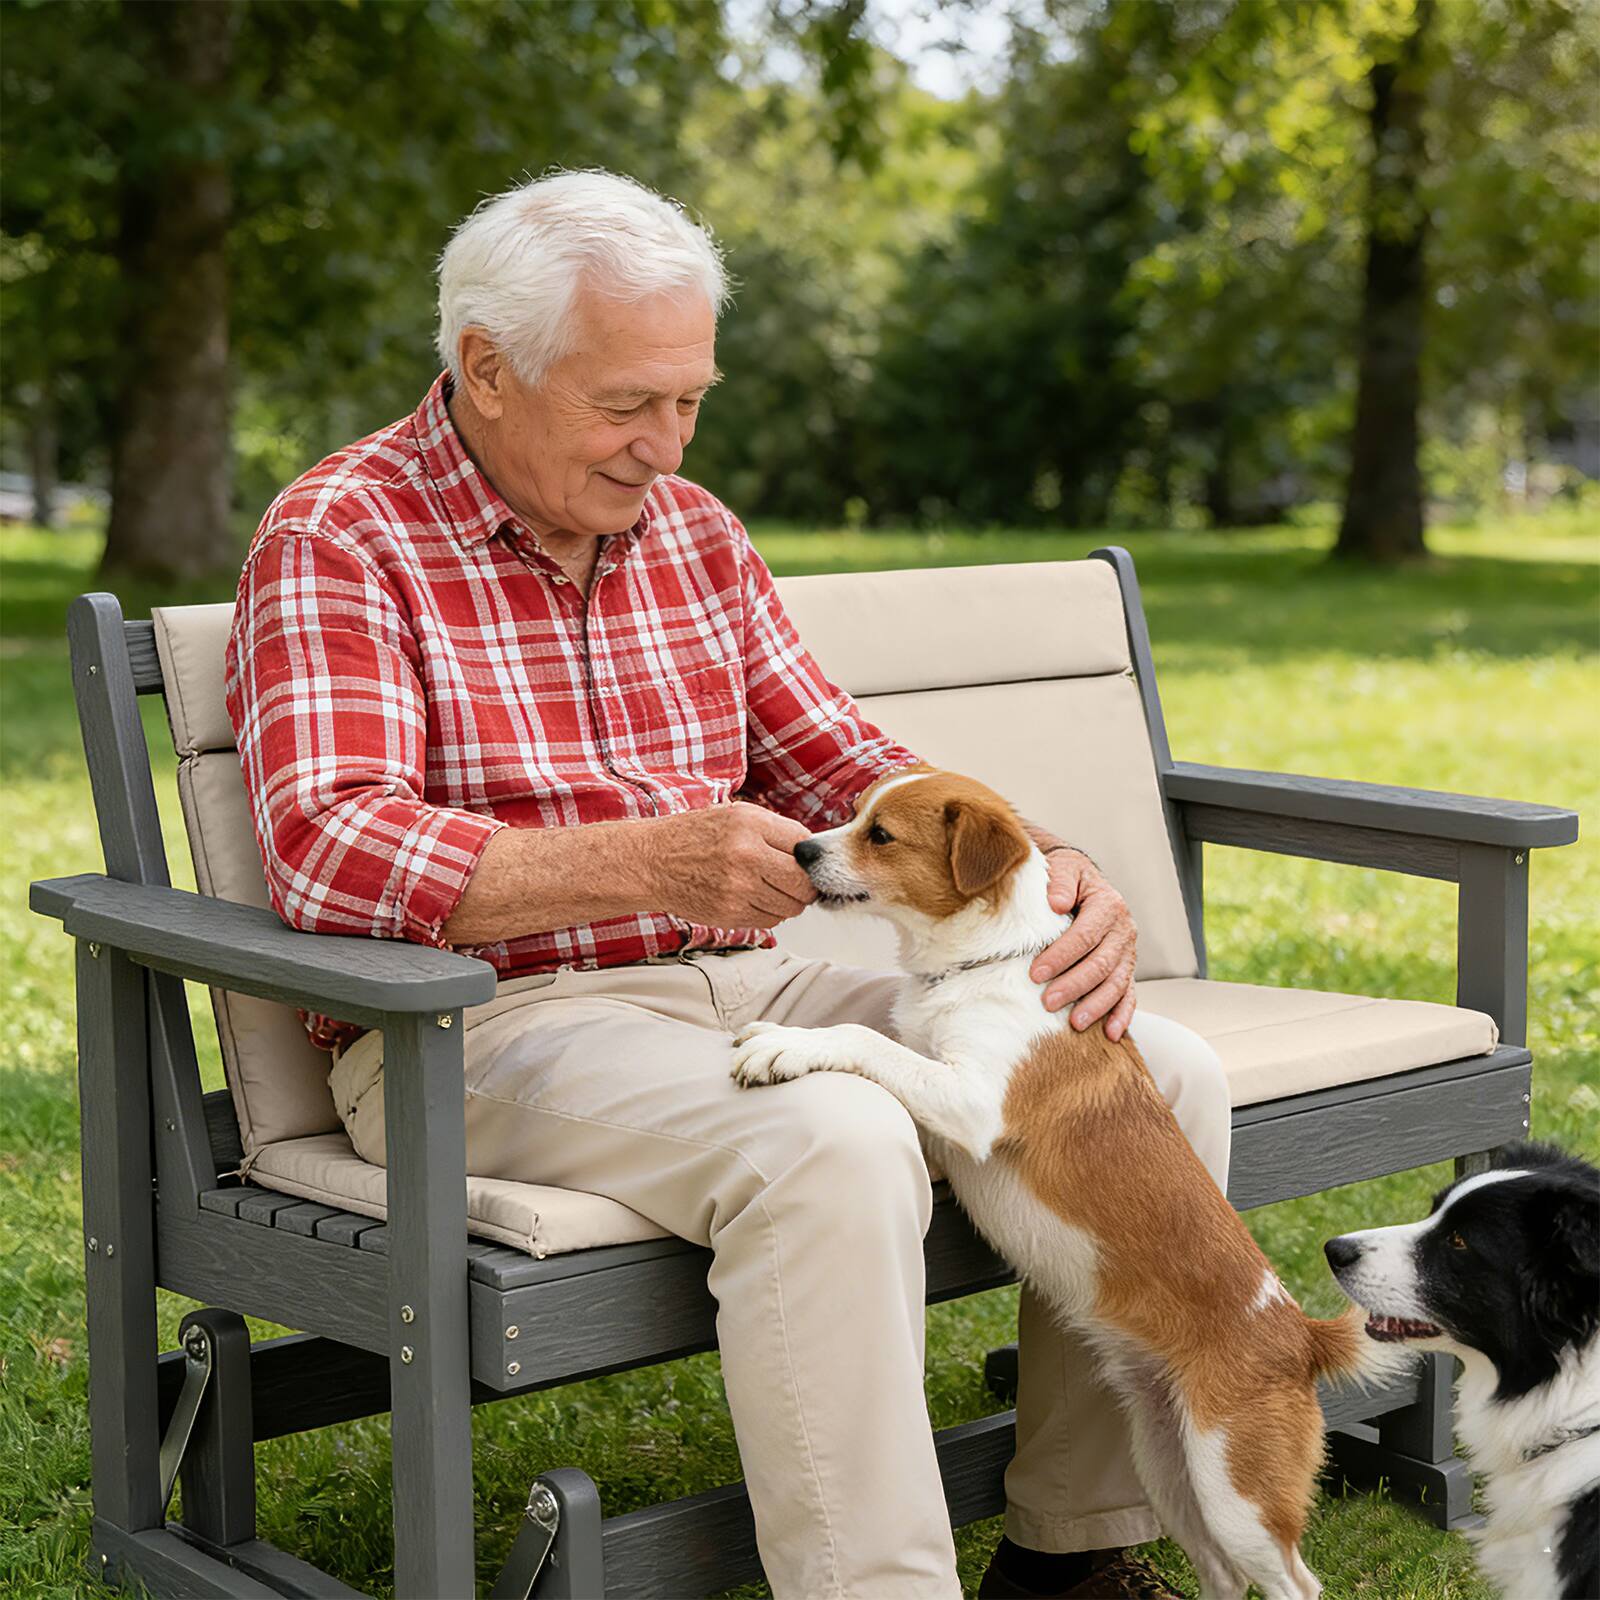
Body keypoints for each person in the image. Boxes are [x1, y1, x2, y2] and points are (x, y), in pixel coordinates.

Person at [225, 169, 1229, 1600]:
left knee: (1158, 1067)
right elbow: (329, 845)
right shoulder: (342, 534)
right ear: (486, 368)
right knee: (830, 1139)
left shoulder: (692, 533)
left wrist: (1055, 862)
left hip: (748, 983)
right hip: (484, 1030)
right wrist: (643, 858)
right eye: (629, 401)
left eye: (690, 398)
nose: (666, 442)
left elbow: (847, 764)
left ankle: (1074, 1554)